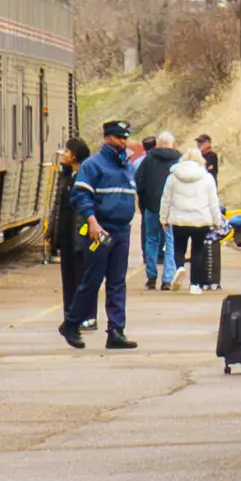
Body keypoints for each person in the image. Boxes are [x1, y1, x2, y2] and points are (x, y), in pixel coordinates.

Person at [73, 123, 143, 347]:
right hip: (99, 231)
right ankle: (71, 323)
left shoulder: (127, 167)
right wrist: (92, 221)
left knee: (117, 282)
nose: (123, 141)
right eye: (118, 137)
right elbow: (81, 197)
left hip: (122, 231)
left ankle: (116, 331)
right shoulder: (93, 165)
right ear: (106, 138)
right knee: (93, 279)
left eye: (125, 137)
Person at [47, 136, 101, 347]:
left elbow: (88, 213)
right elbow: (60, 211)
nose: (63, 155)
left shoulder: (85, 180)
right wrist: (54, 236)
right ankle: (71, 317)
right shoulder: (66, 178)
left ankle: (86, 316)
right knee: (70, 280)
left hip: (82, 238)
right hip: (68, 238)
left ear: (75, 155)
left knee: (84, 278)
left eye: (67, 151)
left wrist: (87, 236)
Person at [159, 136, 223, 292]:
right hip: (201, 220)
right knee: (198, 251)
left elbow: (166, 199)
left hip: (179, 219)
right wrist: (217, 221)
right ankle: (195, 284)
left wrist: (164, 218)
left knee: (178, 248)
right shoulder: (207, 178)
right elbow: (213, 202)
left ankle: (180, 267)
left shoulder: (173, 177)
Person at [133, 129, 184, 291]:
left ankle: (151, 275)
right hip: (171, 208)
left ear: (158, 144)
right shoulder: (179, 160)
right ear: (172, 144)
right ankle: (167, 279)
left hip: (151, 206)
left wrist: (144, 201)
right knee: (170, 241)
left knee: (151, 239)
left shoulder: (148, 159)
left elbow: (139, 181)